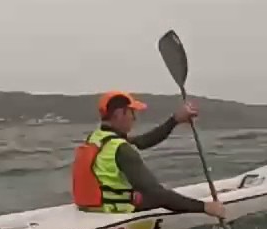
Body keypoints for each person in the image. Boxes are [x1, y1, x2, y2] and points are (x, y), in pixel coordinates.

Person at [71, 90, 228, 218]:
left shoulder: (97, 138)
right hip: (114, 210)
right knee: (160, 192)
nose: (135, 118)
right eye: (132, 112)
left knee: (154, 191)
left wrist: (175, 120)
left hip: (92, 207)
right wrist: (205, 207)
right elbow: (156, 194)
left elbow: (143, 142)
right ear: (119, 113)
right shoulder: (122, 149)